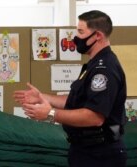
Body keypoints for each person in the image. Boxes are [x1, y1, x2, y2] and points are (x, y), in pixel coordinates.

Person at [14, 10, 127, 167]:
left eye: (81, 32)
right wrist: (43, 97)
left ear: (98, 36)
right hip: (84, 150)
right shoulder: (94, 65)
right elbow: (78, 101)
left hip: (101, 155)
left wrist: (50, 114)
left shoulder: (105, 68)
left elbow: (94, 117)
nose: (76, 37)